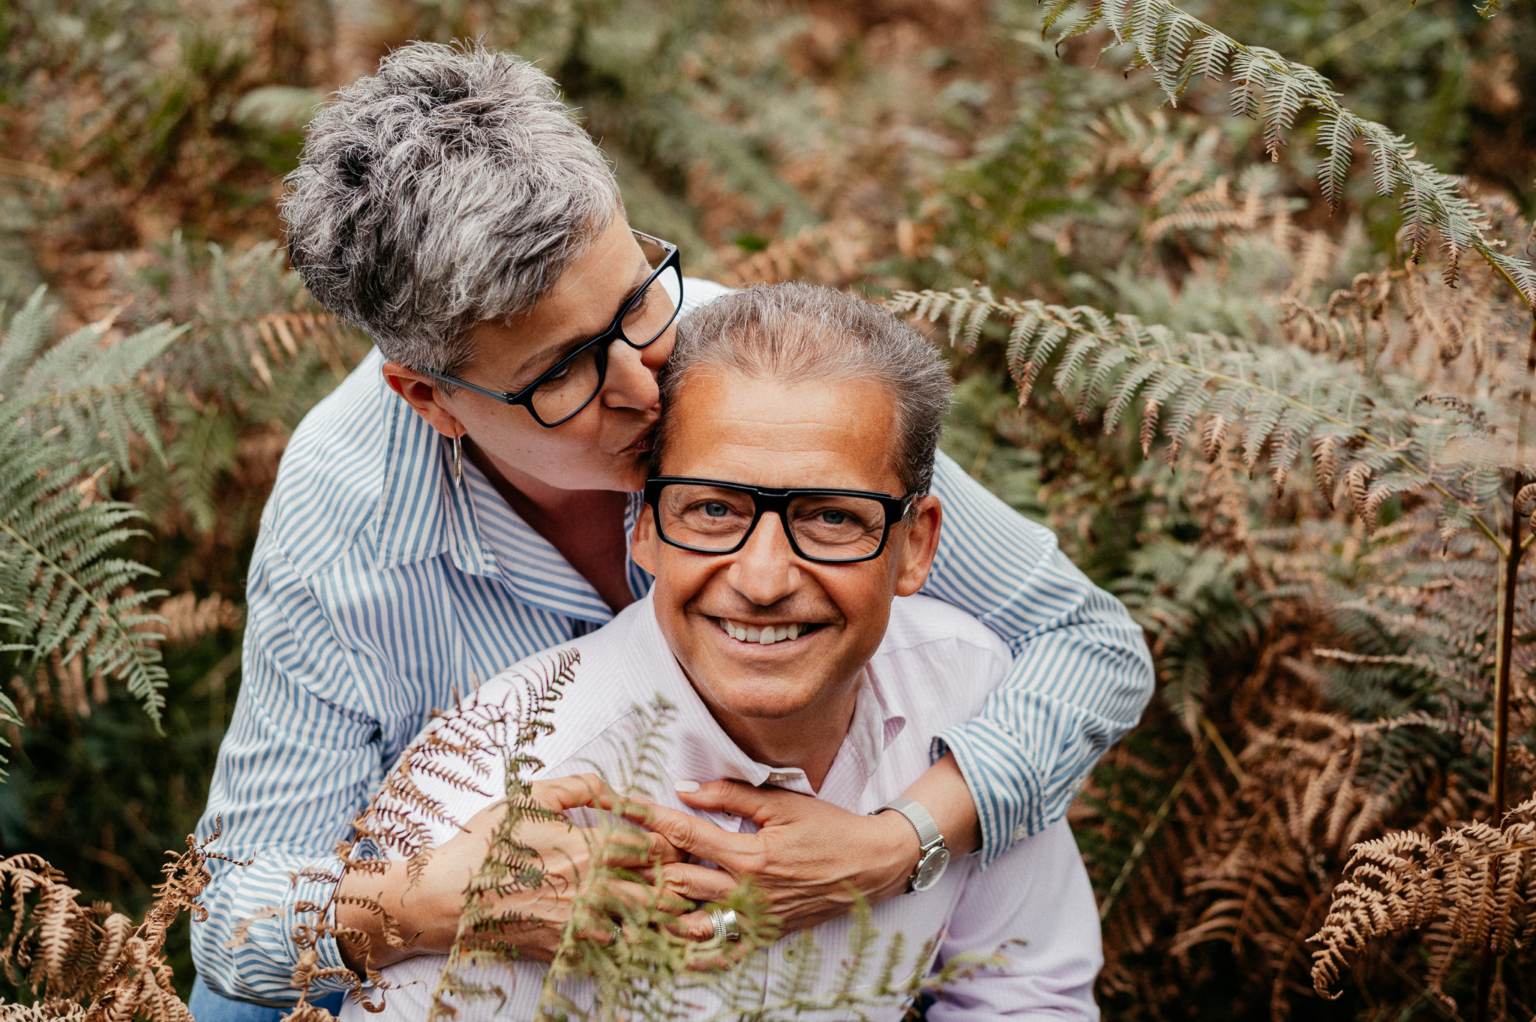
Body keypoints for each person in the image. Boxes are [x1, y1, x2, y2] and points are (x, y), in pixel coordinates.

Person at [188, 40, 1150, 1018]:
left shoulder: (758, 375)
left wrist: (896, 844)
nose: (648, 382)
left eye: (640, 296)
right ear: (430, 397)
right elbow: (231, 914)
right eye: (564, 371)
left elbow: (1089, 644)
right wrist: (434, 901)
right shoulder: (345, 516)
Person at [348, 283, 1103, 1021]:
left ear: (917, 546)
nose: (765, 580)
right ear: (643, 524)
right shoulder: (495, 806)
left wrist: (905, 842)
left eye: (831, 517)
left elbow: (1027, 992)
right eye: (713, 509)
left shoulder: (971, 687)